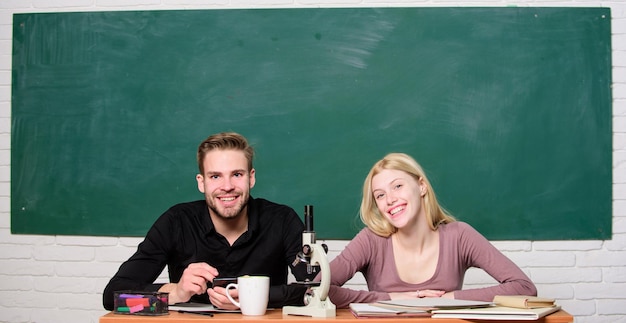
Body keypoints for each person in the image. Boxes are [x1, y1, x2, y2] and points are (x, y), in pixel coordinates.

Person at [103, 132, 311, 311]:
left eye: (237, 174)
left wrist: (254, 297)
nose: (227, 186)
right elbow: (114, 299)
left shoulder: (282, 220)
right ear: (201, 183)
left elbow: (317, 290)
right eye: (215, 177)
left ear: (251, 178)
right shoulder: (176, 222)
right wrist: (175, 293)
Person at [327, 153, 537, 308]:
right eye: (380, 195)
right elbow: (316, 289)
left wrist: (446, 299)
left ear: (421, 186)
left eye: (397, 186)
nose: (390, 199)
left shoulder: (459, 236)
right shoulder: (371, 240)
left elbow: (524, 288)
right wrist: (391, 298)